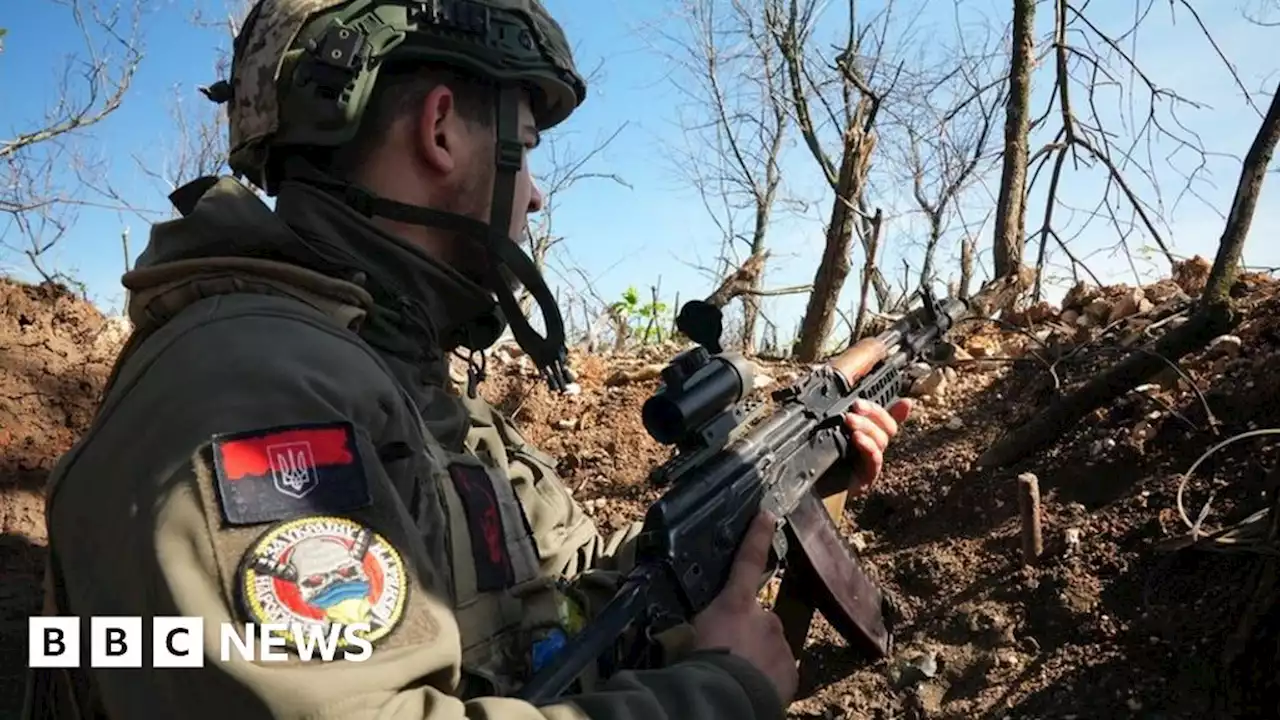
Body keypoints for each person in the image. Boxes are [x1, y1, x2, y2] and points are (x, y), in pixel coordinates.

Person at [22, 1, 911, 718]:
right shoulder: (247, 391)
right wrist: (716, 692)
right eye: (524, 141)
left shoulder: (416, 392)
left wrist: (764, 501)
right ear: (442, 130)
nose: (534, 190)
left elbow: (565, 601)